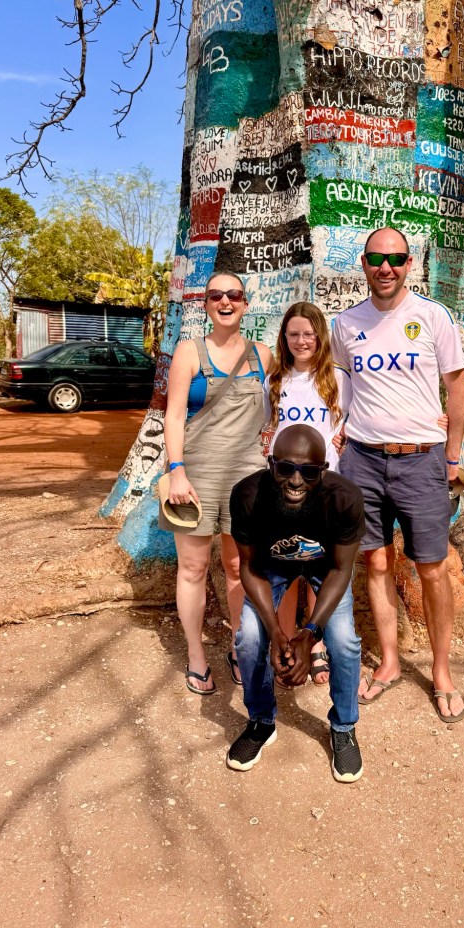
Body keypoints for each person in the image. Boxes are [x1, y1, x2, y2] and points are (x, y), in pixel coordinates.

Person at [331, 227, 464, 721]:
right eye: (375, 258)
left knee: (431, 568)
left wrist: (451, 457)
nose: (385, 267)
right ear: (364, 265)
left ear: (409, 264)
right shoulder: (345, 325)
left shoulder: (433, 317)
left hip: (422, 460)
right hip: (362, 462)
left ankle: (441, 671)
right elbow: (340, 386)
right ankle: (389, 662)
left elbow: (456, 388)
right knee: (377, 564)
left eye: (395, 259)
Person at [227, 425, 366, 782]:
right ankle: (260, 721)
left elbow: (340, 569)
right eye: (285, 468)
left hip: (326, 569)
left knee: (344, 641)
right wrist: (276, 631)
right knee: (250, 639)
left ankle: (343, 726)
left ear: (323, 470)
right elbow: (249, 567)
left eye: (308, 471)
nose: (295, 480)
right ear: (270, 463)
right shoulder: (247, 495)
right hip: (270, 567)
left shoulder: (344, 498)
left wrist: (309, 633)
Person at [162, 272, 272, 695]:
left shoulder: (263, 355)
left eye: (234, 295)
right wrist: (176, 470)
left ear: (245, 303)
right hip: (195, 476)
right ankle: (196, 655)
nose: (225, 301)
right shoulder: (189, 353)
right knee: (192, 568)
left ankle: (239, 647)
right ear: (206, 304)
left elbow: (303, 392)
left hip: (248, 478)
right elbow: (173, 416)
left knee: (238, 569)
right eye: (216, 296)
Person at [263, 302, 352, 684]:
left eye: (309, 334)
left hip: (324, 488)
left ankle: (313, 643)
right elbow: (266, 427)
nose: (302, 341)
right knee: (286, 569)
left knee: (318, 566)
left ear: (320, 337)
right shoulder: (275, 381)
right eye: (294, 333)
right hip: (282, 490)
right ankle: (283, 641)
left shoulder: (337, 379)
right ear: (285, 338)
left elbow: (355, 422)